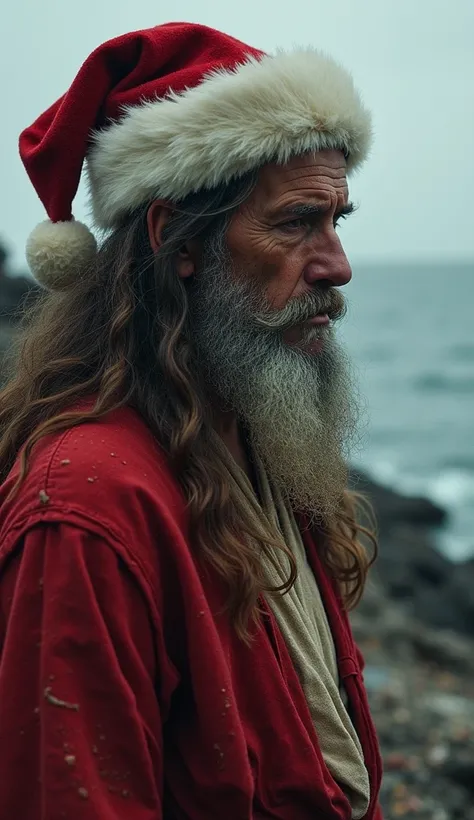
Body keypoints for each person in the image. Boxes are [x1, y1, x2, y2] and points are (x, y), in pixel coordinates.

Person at [0, 22, 383, 820]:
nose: (336, 265)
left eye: (336, 220)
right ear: (176, 241)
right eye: (293, 223)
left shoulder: (249, 436)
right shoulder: (88, 504)